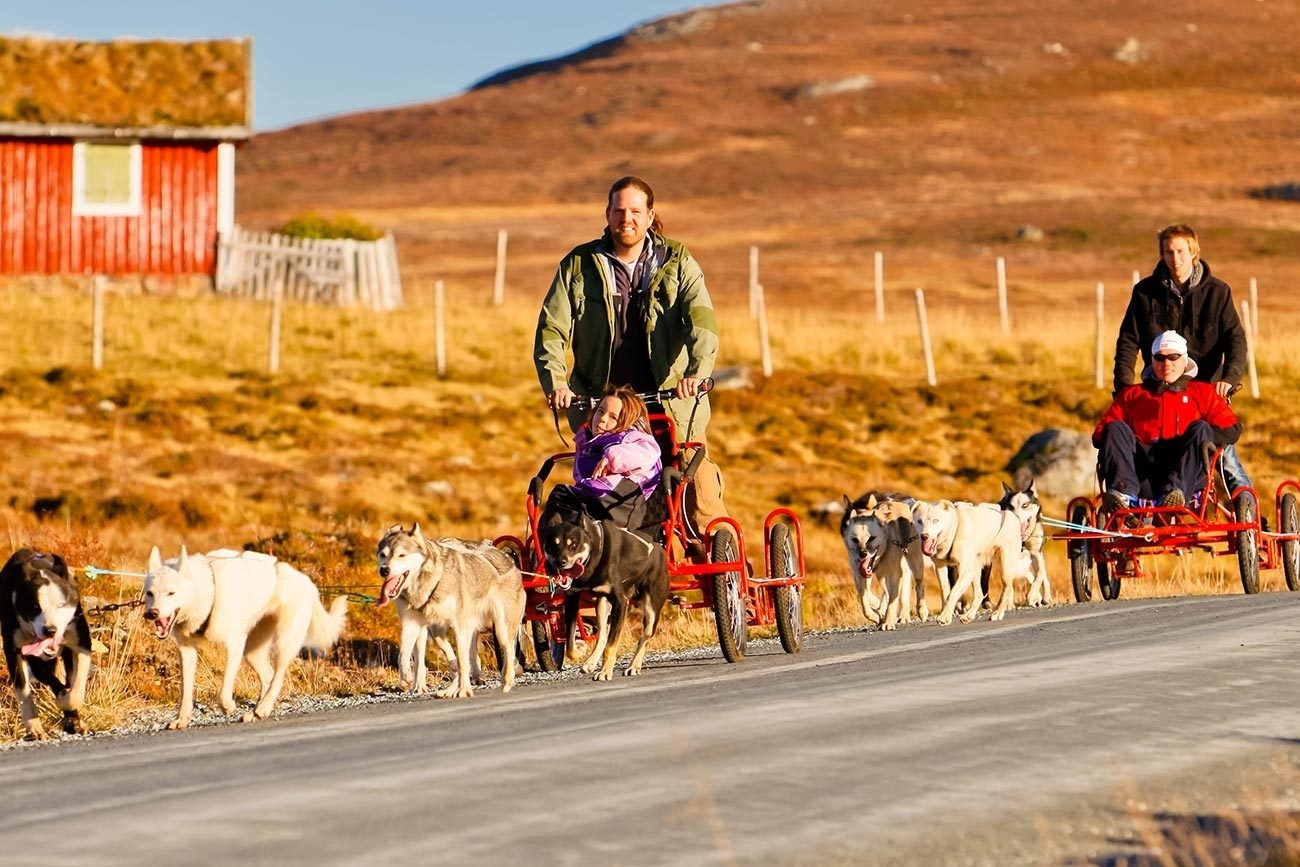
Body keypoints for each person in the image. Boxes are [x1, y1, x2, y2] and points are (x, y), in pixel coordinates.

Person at [533, 175, 727, 549]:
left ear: (651, 216)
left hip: (670, 400)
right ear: (607, 214)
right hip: (602, 405)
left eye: (636, 211)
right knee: (599, 487)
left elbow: (702, 321)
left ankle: (723, 569)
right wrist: (556, 382)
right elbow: (551, 328)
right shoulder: (580, 264)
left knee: (696, 488)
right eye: (619, 210)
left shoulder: (677, 262)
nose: (627, 218)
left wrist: (696, 374)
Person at [1113, 223, 1255, 496]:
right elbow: (1128, 340)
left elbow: (1235, 339)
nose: (1174, 258)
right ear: (1161, 254)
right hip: (1158, 385)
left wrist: (1229, 379)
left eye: (1180, 251)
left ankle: (1249, 515)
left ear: (1194, 252)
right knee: (1144, 447)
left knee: (1223, 458)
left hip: (1205, 390)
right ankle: (1141, 503)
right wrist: (1123, 385)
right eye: (1168, 252)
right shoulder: (1144, 293)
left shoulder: (1218, 292)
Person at [1094, 331, 1240, 513]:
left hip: (1186, 472)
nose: (1166, 364)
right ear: (1152, 361)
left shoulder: (1202, 392)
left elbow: (1232, 428)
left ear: (1185, 360)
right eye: (1160, 358)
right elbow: (1099, 433)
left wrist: (1204, 441)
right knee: (1114, 427)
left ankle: (1174, 495)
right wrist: (1120, 439)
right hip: (1143, 475)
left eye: (1173, 357)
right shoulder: (1132, 395)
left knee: (1201, 428)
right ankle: (1123, 495)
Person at [543, 385, 664, 539]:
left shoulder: (629, 438)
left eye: (613, 417)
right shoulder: (589, 443)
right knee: (558, 502)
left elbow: (649, 453)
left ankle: (555, 543)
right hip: (598, 500)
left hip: (622, 501)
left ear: (627, 422)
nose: (603, 419)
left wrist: (611, 457)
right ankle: (549, 546)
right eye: (600, 411)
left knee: (563, 498)